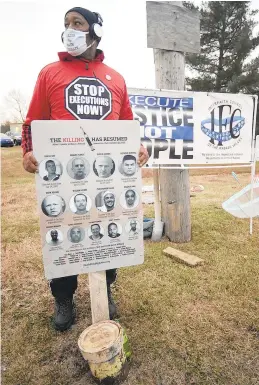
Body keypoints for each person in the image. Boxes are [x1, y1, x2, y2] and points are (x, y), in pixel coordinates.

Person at [22, 6, 149, 332]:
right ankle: (63, 297)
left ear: (95, 31)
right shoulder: (50, 73)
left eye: (77, 23)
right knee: (64, 235)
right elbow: (32, 121)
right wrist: (27, 152)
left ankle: (104, 288)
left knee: (108, 232)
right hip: (64, 177)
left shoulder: (115, 77)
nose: (70, 29)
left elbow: (127, 125)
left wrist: (138, 147)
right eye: (66, 24)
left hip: (106, 176)